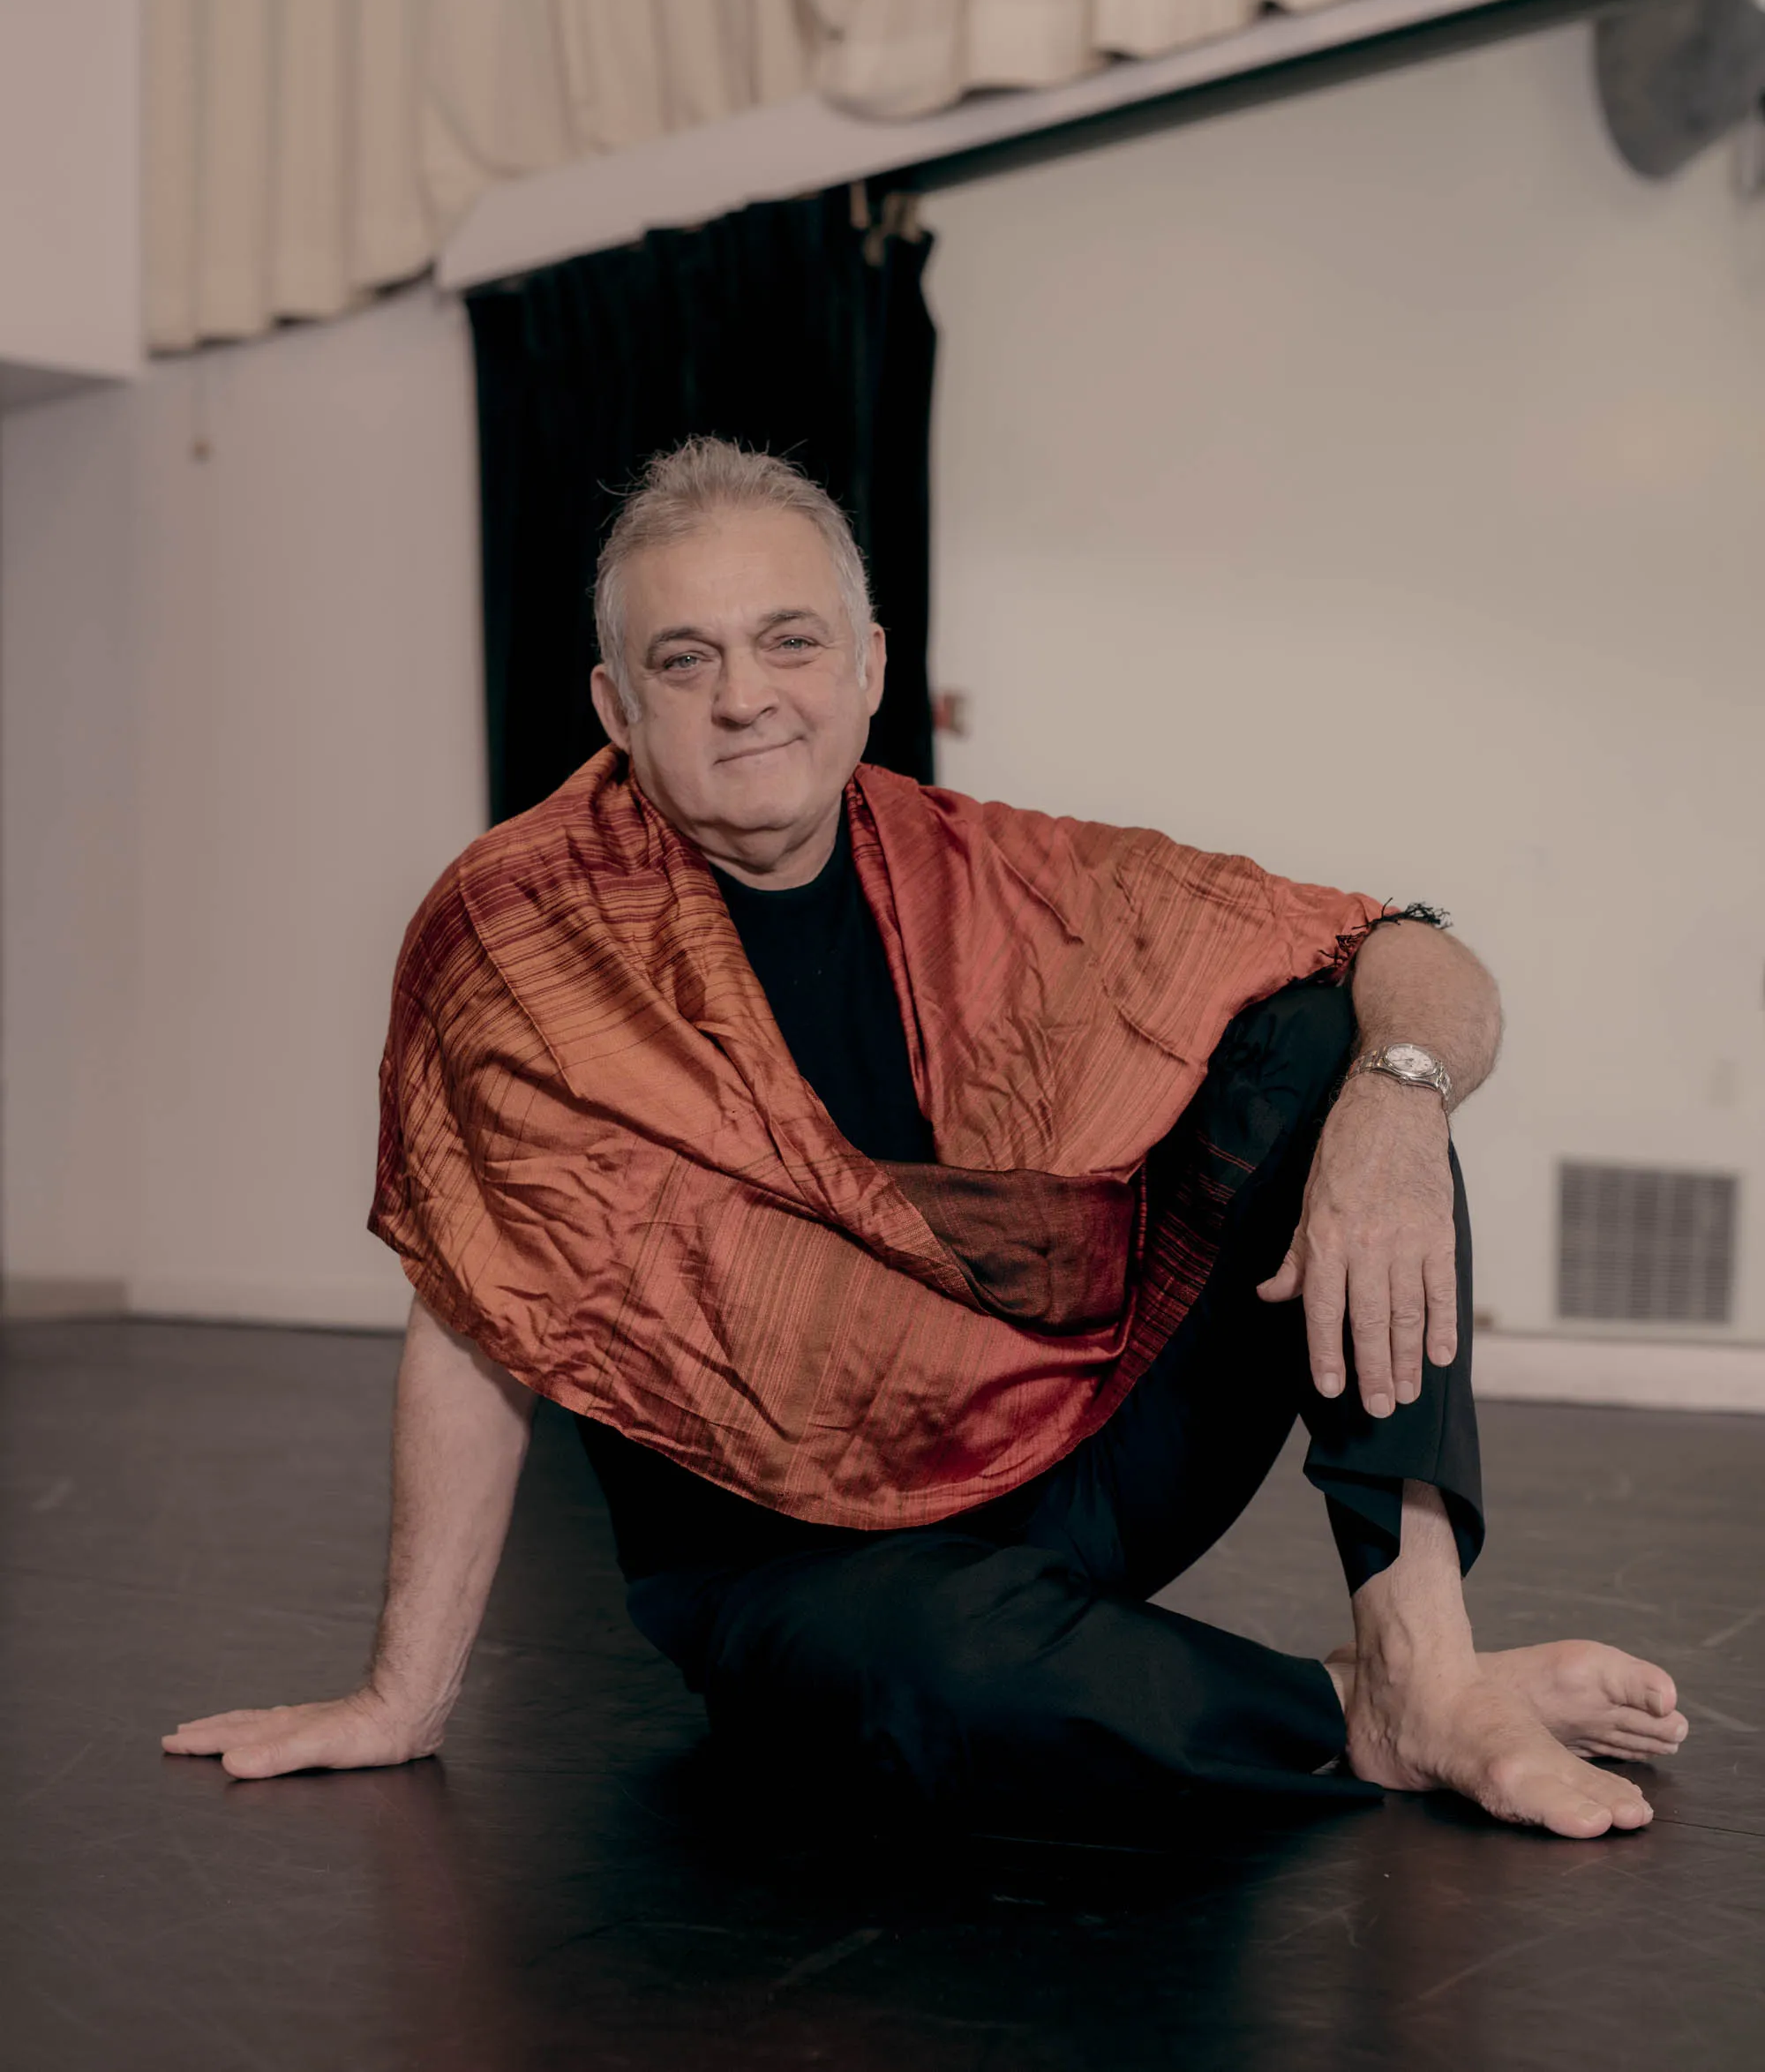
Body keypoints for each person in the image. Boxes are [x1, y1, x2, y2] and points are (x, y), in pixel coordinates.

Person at [166, 440, 1687, 1840]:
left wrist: (1401, 1101)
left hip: (1077, 1447)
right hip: (796, 1573)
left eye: (789, 640)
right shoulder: (517, 933)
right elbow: (473, 1310)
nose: (745, 696)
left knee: (1330, 1040)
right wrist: (402, 1698)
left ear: (870, 665)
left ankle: (1424, 1649)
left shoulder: (985, 869)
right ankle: (1359, 1707)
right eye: (682, 660)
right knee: (938, 1683)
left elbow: (1404, 946)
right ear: (616, 711)